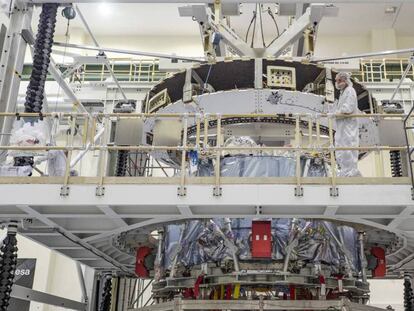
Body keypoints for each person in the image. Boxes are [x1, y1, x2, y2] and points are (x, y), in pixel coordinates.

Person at [332, 72, 361, 177]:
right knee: (341, 149)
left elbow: (348, 109)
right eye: (336, 81)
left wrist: (335, 114)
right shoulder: (343, 92)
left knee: (348, 149)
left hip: (348, 127)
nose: (337, 83)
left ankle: (350, 173)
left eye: (339, 81)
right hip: (342, 127)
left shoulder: (350, 91)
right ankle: (345, 172)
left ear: (345, 81)